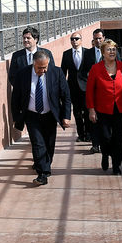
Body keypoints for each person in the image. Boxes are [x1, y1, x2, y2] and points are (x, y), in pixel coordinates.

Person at [11, 50, 72, 186]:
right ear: (34, 63)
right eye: (39, 68)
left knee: (49, 144)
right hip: (31, 115)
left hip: (50, 114)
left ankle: (46, 165)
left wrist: (66, 116)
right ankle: (42, 173)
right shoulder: (23, 74)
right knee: (38, 143)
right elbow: (15, 98)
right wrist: (16, 116)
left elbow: (66, 95)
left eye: (45, 67)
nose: (43, 70)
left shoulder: (56, 72)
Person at [86, 39, 122, 175]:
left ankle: (117, 164)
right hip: (102, 110)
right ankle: (105, 154)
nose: (112, 52)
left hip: (120, 109)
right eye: (109, 49)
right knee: (105, 137)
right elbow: (90, 91)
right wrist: (91, 109)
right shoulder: (96, 68)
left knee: (118, 138)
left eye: (114, 49)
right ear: (102, 52)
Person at [77, 28, 105, 152]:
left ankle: (105, 144)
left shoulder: (111, 51)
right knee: (93, 119)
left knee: (105, 120)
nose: (98, 41)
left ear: (104, 38)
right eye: (95, 39)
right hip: (92, 93)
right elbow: (82, 72)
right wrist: (86, 88)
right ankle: (95, 144)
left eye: (100, 38)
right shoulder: (88, 53)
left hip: (107, 93)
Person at [61, 32, 87, 142]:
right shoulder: (66, 54)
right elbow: (63, 72)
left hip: (86, 88)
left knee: (87, 111)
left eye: (76, 38)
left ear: (81, 40)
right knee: (77, 113)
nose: (74, 41)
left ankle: (89, 134)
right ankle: (81, 135)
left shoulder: (88, 52)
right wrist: (63, 88)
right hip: (73, 88)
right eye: (72, 39)